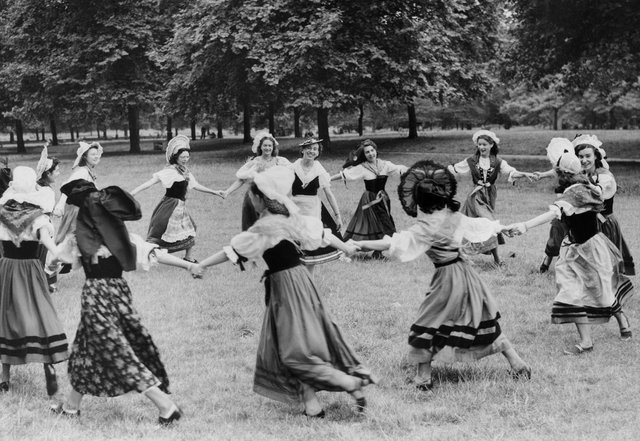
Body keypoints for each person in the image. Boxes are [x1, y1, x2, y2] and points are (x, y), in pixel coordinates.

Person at [194, 166, 376, 418]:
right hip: (301, 283)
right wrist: (345, 247)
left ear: (259, 198)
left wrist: (201, 264)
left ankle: (350, 383)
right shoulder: (289, 218)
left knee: (294, 352)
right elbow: (322, 234)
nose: (251, 202)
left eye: (251, 198)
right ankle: (312, 406)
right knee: (293, 342)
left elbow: (232, 251)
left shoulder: (265, 227)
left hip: (288, 287)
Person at [352, 160, 530, 390]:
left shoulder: (425, 229)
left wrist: (359, 244)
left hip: (447, 279)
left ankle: (423, 377)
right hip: (467, 275)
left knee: (429, 321)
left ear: (420, 203)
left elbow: (393, 243)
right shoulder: (453, 218)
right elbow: (478, 226)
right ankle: (517, 363)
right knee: (480, 318)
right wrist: (501, 227)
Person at [49, 178, 200, 424]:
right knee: (85, 350)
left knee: (114, 350)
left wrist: (187, 265)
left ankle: (166, 406)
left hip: (96, 296)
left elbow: (60, 259)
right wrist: (187, 265)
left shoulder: (81, 238)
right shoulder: (120, 236)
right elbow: (153, 254)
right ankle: (71, 406)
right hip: (118, 294)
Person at [506, 139, 634, 354]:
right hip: (574, 249)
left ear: (564, 173)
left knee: (599, 290)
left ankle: (622, 320)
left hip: (591, 249)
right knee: (571, 291)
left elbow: (554, 212)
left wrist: (524, 226)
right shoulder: (581, 186)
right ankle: (586, 342)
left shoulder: (576, 192)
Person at [0, 166, 68, 396]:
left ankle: (4, 376)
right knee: (41, 316)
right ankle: (49, 371)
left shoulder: (1, 213)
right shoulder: (38, 218)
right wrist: (64, 254)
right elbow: (50, 246)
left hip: (7, 269)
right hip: (29, 270)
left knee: (6, 318)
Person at [447, 130, 534, 266]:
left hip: (489, 196)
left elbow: (511, 172)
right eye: (479, 144)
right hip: (475, 196)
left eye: (485, 144)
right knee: (490, 223)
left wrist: (523, 174)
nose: (481, 147)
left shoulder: (498, 162)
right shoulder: (471, 161)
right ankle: (497, 260)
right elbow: (454, 169)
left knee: (472, 226)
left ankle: (463, 255)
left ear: (492, 145)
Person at [131, 135, 223, 262]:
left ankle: (188, 257)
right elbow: (150, 182)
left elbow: (195, 185)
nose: (185, 159)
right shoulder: (170, 171)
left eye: (187, 157)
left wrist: (215, 192)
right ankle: (145, 255)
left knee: (191, 229)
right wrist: (133, 192)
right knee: (159, 232)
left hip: (180, 206)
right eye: (182, 157)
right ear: (176, 157)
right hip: (169, 205)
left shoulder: (185, 171)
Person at [330, 139, 406, 259]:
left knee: (384, 223)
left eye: (372, 150)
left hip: (383, 199)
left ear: (376, 151)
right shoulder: (362, 167)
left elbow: (399, 169)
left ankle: (378, 252)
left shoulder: (385, 165)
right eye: (367, 152)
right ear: (364, 155)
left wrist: (415, 171)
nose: (371, 154)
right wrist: (328, 179)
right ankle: (346, 249)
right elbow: (345, 174)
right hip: (369, 200)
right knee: (371, 224)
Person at [573, 134, 635, 276]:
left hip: (604, 223)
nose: (584, 160)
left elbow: (598, 192)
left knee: (606, 266)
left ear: (596, 156)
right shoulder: (582, 174)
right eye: (580, 157)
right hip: (587, 224)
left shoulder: (604, 175)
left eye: (588, 156)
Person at [290, 137, 345, 268]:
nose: (312, 151)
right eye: (309, 148)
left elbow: (329, 194)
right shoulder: (292, 168)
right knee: (294, 248)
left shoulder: (319, 170)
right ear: (302, 150)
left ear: (318, 153)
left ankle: (309, 283)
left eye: (315, 149)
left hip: (312, 209)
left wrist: (338, 216)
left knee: (311, 249)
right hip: (295, 209)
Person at [221, 131, 291, 230]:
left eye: (270, 146)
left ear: (273, 147)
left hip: (274, 197)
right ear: (260, 147)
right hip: (256, 196)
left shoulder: (280, 161)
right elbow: (241, 179)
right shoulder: (255, 162)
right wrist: (227, 192)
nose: (267, 148)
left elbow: (292, 173)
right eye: (265, 145)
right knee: (254, 224)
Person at [52, 141, 103, 245]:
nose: (96, 156)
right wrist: (60, 205)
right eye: (93, 154)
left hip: (84, 211)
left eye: (97, 154)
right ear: (84, 157)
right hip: (76, 212)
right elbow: (67, 186)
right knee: (73, 241)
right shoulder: (82, 172)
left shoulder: (88, 171)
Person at [35, 141, 62, 292]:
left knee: (43, 255)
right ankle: (46, 284)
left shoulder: (36, 186)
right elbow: (44, 209)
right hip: (43, 226)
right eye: (56, 170)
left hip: (36, 225)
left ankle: (46, 283)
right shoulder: (47, 191)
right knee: (46, 255)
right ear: (48, 173)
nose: (58, 173)